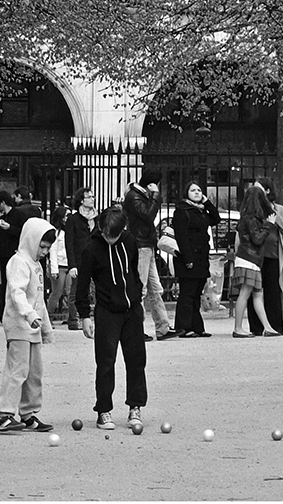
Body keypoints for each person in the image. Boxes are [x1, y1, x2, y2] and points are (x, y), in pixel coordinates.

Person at [75, 207, 147, 431]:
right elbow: (83, 285)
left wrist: (138, 289)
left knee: (136, 360)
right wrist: (85, 315)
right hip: (107, 311)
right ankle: (103, 410)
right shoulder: (91, 250)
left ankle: (135, 407)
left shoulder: (129, 241)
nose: (109, 238)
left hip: (132, 309)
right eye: (106, 233)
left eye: (114, 234)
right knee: (105, 363)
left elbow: (133, 270)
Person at [0, 218, 56, 432]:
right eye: (43, 246)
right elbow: (17, 292)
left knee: (34, 372)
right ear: (31, 240)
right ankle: (5, 414)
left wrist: (45, 328)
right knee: (18, 369)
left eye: (48, 248)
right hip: (18, 324)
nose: (45, 251)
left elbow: (39, 300)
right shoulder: (19, 261)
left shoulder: (36, 265)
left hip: (32, 326)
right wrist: (29, 315)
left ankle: (28, 414)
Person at [122, 169, 178, 341]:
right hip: (140, 245)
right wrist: (156, 195)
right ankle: (134, 329)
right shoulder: (134, 195)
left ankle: (163, 327)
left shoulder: (138, 194)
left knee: (155, 289)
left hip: (146, 244)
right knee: (141, 289)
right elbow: (148, 215)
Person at [171, 182, 221, 338]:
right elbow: (181, 237)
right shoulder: (182, 211)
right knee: (187, 293)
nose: (197, 192)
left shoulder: (201, 211)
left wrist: (206, 202)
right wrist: (187, 258)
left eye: (199, 190)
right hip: (188, 257)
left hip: (201, 258)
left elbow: (216, 218)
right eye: (193, 190)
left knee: (196, 292)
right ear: (186, 193)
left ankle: (197, 326)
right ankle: (183, 327)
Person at [231, 186, 281, 337]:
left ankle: (267, 327)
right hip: (250, 259)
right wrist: (268, 226)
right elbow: (257, 239)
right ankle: (237, 328)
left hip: (247, 258)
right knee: (246, 293)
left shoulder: (246, 217)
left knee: (257, 294)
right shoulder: (252, 219)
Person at [247, 178, 283, 336]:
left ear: (267, 191)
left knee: (273, 289)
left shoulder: (278, 208)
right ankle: (256, 327)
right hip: (254, 254)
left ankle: (276, 325)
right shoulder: (251, 207)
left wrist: (275, 214)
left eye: (258, 188)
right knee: (254, 289)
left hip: (272, 254)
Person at [66, 187, 98, 330]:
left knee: (98, 290)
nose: (92, 199)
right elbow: (69, 243)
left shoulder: (98, 218)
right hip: (80, 259)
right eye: (89, 197)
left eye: (93, 196)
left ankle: (98, 317)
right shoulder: (73, 219)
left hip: (96, 259)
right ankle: (74, 319)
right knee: (77, 290)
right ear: (81, 200)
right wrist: (72, 265)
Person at [46, 206, 71, 322]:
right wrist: (54, 269)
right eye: (66, 215)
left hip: (70, 264)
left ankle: (72, 317)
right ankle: (48, 316)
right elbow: (53, 251)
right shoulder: (56, 232)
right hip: (59, 265)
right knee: (57, 292)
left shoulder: (71, 230)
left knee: (71, 292)